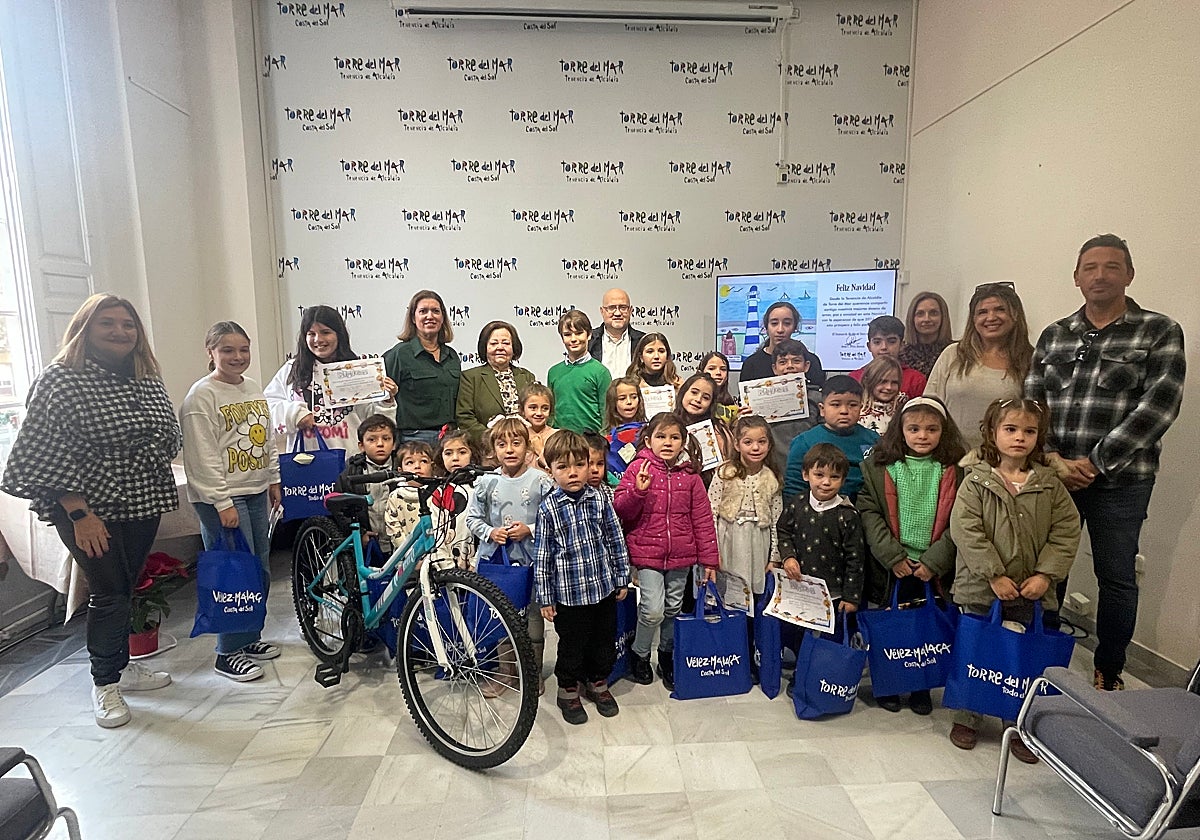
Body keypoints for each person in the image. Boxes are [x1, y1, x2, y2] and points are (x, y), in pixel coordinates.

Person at [2, 294, 182, 728]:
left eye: (128, 324)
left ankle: (122, 667)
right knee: (108, 591)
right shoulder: (61, 380)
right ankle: (104, 683)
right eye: (108, 323)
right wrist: (79, 514)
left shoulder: (146, 378)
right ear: (85, 329)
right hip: (87, 507)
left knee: (127, 585)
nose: (120, 331)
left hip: (142, 499)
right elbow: (45, 449)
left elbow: (168, 434)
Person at [1025, 234, 1185, 692]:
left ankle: (1108, 671)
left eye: (1112, 266)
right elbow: (1032, 402)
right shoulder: (1056, 334)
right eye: (1090, 268)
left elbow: (1160, 407)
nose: (1100, 275)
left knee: (1115, 577)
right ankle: (1042, 657)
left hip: (1122, 480)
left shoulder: (1158, 331)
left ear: (1129, 274)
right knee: (1045, 568)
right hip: (1055, 474)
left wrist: (1094, 463)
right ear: (1076, 278)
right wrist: (1052, 458)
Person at [949, 398, 1081, 761]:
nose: (1019, 437)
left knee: (1021, 655)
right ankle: (968, 716)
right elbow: (966, 530)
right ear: (993, 433)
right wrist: (993, 574)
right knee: (978, 650)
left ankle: (1018, 720)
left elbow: (1066, 532)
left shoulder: (1050, 485)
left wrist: (1046, 574)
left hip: (1030, 590)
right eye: (1010, 429)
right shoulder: (976, 481)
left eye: (1029, 431)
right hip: (983, 587)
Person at [181, 321, 283, 682]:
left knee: (258, 570)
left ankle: (248, 637)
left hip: (254, 491)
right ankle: (227, 652)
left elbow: (265, 439)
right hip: (223, 498)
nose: (237, 357)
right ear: (211, 353)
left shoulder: (252, 387)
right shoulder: (201, 397)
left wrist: (273, 478)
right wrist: (222, 502)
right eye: (227, 350)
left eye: (243, 349)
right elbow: (202, 457)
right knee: (232, 574)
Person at [858, 395, 967, 714]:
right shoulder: (879, 467)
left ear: (944, 432)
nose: (922, 436)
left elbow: (962, 520)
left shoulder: (957, 470)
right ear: (900, 430)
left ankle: (921, 686)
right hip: (893, 564)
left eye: (932, 429)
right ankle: (890, 682)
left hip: (934, 566)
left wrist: (935, 561)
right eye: (914, 429)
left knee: (926, 627)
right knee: (893, 626)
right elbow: (869, 512)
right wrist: (892, 556)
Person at [614, 413, 719, 691]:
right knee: (652, 610)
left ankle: (666, 655)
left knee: (673, 608)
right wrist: (638, 491)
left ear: (684, 442)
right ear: (649, 440)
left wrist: (709, 560)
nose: (668, 442)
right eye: (661, 436)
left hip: (681, 556)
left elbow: (703, 519)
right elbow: (621, 509)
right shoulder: (638, 469)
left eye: (674, 437)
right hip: (647, 553)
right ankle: (639, 654)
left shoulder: (691, 477)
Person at [533, 431, 631, 724]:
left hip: (603, 589)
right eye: (563, 467)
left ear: (590, 465)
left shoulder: (599, 499)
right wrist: (545, 597)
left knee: (603, 641)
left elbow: (615, 539)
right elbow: (543, 556)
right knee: (572, 645)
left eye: (580, 464)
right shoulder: (548, 508)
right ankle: (568, 689)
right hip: (569, 596)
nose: (573, 473)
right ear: (551, 470)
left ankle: (597, 681)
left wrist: (621, 577)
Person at [466, 416, 555, 694]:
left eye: (516, 443)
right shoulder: (486, 482)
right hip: (497, 562)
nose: (509, 450)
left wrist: (529, 529)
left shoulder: (542, 481)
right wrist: (491, 532)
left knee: (532, 616)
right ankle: (506, 673)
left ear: (527, 446)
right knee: (501, 615)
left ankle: (532, 672)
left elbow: (554, 518)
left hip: (533, 561)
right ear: (494, 449)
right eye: (502, 444)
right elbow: (472, 518)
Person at [774, 444, 866, 692]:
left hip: (832, 593)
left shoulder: (848, 515)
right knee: (799, 635)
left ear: (843, 480)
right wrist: (788, 557)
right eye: (819, 475)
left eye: (834, 477)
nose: (826, 482)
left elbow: (856, 558)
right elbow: (783, 531)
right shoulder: (797, 504)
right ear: (806, 475)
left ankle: (821, 679)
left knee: (826, 640)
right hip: (799, 589)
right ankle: (800, 675)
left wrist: (851, 596)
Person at [265, 305, 398, 454]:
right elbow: (266, 407)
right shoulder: (292, 369)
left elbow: (375, 422)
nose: (318, 339)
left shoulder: (356, 370)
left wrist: (386, 401)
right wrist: (295, 414)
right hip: (303, 460)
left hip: (349, 458)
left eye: (325, 332)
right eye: (311, 333)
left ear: (339, 335)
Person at [926, 284, 1031, 448]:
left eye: (1000, 310)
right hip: (950, 456)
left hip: (1001, 458)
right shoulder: (953, 354)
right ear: (973, 319)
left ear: (1015, 314)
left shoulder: (1029, 360)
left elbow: (1032, 418)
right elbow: (929, 406)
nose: (991, 317)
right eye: (982, 312)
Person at [708, 415, 782, 627]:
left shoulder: (771, 478)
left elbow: (776, 519)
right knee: (729, 592)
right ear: (737, 444)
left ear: (769, 444)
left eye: (761, 442)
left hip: (758, 540)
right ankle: (730, 632)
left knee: (754, 594)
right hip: (728, 538)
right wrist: (711, 552)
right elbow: (711, 511)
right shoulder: (724, 472)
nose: (755, 447)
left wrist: (774, 557)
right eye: (748, 442)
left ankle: (749, 635)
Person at [383, 290, 461, 446]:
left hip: (449, 439)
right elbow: (383, 400)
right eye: (423, 311)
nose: (430, 316)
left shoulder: (452, 356)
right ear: (413, 318)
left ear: (442, 318)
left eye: (436, 311)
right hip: (413, 440)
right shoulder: (399, 354)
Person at [783, 376, 879, 500]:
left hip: (865, 507)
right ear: (822, 409)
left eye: (852, 405)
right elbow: (794, 489)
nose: (844, 411)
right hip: (817, 508)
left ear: (861, 408)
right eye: (836, 405)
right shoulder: (804, 442)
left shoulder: (873, 440)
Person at [455, 320, 537, 448]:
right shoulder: (471, 377)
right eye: (493, 343)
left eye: (506, 343)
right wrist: (492, 439)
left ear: (514, 348)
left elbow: (536, 411)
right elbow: (465, 417)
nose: (500, 347)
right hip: (487, 448)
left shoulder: (527, 376)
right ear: (485, 348)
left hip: (524, 447)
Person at [336, 415, 399, 560]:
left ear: (394, 444)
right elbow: (340, 507)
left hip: (399, 541)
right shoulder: (352, 472)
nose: (380, 444)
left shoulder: (402, 468)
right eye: (372, 439)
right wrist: (359, 533)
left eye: (386, 438)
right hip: (367, 542)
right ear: (361, 446)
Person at [756, 338, 823, 461]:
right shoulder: (760, 398)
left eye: (796, 361)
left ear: (806, 366)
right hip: (773, 463)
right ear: (774, 368)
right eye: (783, 362)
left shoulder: (818, 398)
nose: (790, 366)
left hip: (810, 462)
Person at [547, 309, 610, 434]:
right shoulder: (553, 372)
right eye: (567, 334)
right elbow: (550, 411)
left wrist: (603, 439)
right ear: (562, 338)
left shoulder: (600, 372)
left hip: (591, 440)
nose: (573, 339)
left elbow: (606, 412)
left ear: (589, 335)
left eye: (579, 333)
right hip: (560, 439)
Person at [738, 300, 826, 386]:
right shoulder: (752, 363)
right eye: (774, 323)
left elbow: (819, 392)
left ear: (794, 327)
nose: (780, 330)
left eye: (787, 323)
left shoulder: (811, 360)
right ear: (766, 327)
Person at [673, 371, 734, 485]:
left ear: (711, 403)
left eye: (706, 398)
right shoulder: (668, 424)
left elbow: (728, 467)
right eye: (694, 392)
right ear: (683, 392)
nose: (698, 399)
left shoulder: (719, 430)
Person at [433, 427, 480, 568]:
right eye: (448, 453)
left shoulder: (481, 487)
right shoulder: (439, 492)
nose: (455, 458)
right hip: (447, 564)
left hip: (476, 563)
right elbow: (436, 532)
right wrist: (446, 566)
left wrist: (475, 563)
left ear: (473, 454)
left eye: (462, 452)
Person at [850, 316, 927, 397]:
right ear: (869, 346)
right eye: (877, 342)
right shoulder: (855, 378)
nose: (884, 347)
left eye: (891, 341)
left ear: (902, 345)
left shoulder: (915, 380)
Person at [382, 441, 436, 552]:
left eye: (424, 461)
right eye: (410, 462)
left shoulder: (438, 493)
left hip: (435, 553)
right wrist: (409, 553)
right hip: (405, 555)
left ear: (432, 466)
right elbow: (393, 528)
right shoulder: (395, 497)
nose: (417, 466)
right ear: (400, 470)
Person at [589, 288, 647, 380]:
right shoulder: (589, 340)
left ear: (630, 311)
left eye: (623, 308)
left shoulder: (644, 341)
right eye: (611, 308)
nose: (617, 313)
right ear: (602, 311)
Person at [899, 292, 954, 378]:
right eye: (920, 314)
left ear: (943, 317)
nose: (927, 319)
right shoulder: (900, 354)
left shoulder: (955, 352)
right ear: (912, 318)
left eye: (933, 313)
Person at [603, 375, 646, 483]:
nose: (629, 402)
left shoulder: (648, 432)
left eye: (634, 397)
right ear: (613, 402)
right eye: (622, 398)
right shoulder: (605, 438)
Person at [858, 355, 906, 436]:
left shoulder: (904, 409)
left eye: (894, 382)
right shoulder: (855, 408)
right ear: (868, 381)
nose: (889, 387)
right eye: (883, 381)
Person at [519, 383, 558, 467]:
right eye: (533, 408)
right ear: (522, 410)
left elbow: (559, 468)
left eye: (545, 408)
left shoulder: (557, 436)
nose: (539, 413)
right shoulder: (517, 435)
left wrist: (540, 450)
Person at [699, 351, 739, 425]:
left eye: (723, 369)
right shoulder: (695, 400)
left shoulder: (731, 405)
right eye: (711, 368)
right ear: (701, 372)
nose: (718, 372)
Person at [584, 432, 615, 501]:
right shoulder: (574, 495)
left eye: (600, 464)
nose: (595, 470)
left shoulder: (609, 493)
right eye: (589, 464)